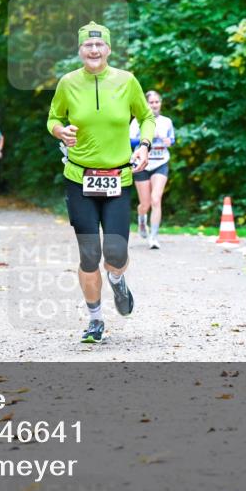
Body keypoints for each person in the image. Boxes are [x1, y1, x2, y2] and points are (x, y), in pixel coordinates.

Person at [47, 21, 155, 343]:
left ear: (108, 49)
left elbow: (146, 117)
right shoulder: (68, 83)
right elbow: (53, 117)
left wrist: (145, 146)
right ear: (80, 51)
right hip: (80, 178)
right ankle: (95, 319)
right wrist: (59, 130)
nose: (93, 50)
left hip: (118, 178)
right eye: (87, 46)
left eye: (99, 45)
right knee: (89, 254)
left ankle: (118, 280)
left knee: (116, 253)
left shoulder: (127, 81)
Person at [130, 90, 175, 249]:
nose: (155, 105)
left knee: (156, 199)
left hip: (160, 162)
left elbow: (172, 139)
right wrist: (150, 137)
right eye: (151, 102)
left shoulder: (166, 121)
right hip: (142, 164)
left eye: (157, 102)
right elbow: (130, 142)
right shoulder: (137, 121)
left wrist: (168, 140)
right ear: (146, 104)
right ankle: (142, 218)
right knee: (146, 204)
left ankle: (154, 237)